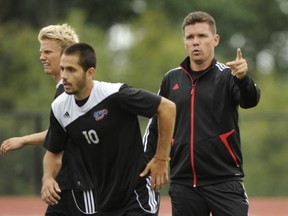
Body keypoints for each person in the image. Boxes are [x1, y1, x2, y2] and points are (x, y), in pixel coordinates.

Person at [143, 11, 261, 216]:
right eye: (190, 37)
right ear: (184, 42)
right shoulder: (171, 79)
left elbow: (250, 100)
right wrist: (146, 161)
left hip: (225, 181)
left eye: (202, 36)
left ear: (215, 40)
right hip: (183, 184)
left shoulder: (228, 76)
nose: (196, 42)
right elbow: (155, 124)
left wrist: (243, 79)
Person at [41, 42, 176, 216]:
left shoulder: (115, 95)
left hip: (137, 191)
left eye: (71, 70)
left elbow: (167, 108)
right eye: (62, 69)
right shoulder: (59, 107)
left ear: (90, 73)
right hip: (104, 198)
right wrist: (48, 178)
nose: (64, 76)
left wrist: (161, 158)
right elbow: (53, 151)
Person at [0, 24, 96, 215]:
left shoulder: (71, 91)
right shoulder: (62, 90)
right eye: (41, 51)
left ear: (65, 55)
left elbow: (61, 133)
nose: (42, 57)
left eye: (47, 52)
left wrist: (23, 140)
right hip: (63, 183)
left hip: (81, 183)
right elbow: (60, 132)